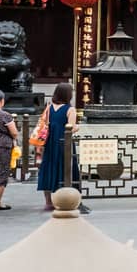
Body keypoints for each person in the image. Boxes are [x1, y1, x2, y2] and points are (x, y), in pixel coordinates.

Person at [34, 82, 78, 211]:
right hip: (64, 143)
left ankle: (48, 201)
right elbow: (70, 128)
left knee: (48, 167)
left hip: (50, 142)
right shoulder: (70, 109)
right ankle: (66, 199)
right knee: (65, 168)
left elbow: (44, 124)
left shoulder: (48, 107)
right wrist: (78, 128)